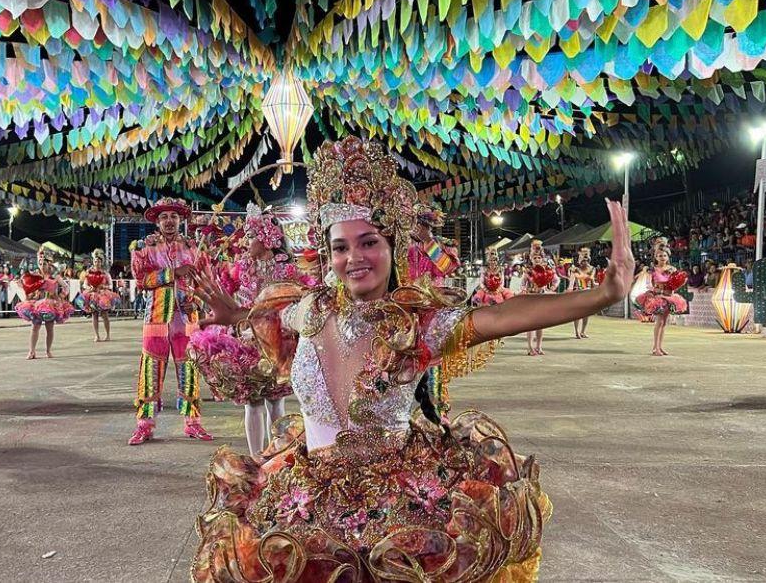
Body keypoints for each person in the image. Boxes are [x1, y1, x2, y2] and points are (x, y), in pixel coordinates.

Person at [189, 137, 635, 580]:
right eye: (340, 247)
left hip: (399, 507)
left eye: (368, 243)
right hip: (304, 492)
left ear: (392, 246)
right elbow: (268, 316)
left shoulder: (415, 325)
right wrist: (233, 314)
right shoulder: (309, 309)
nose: (354, 258)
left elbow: (501, 316)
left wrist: (602, 294)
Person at [189, 204, 314, 455]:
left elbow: (299, 302)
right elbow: (228, 296)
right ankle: (256, 458)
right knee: (253, 403)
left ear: (268, 239)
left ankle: (274, 455)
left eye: (251, 236)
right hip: (246, 343)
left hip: (277, 345)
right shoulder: (241, 268)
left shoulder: (289, 271)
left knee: (276, 403)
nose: (246, 241)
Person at [127, 197, 212, 445]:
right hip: (156, 318)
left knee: (189, 368)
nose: (169, 221)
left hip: (187, 317)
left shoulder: (194, 248)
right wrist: (172, 273)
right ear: (157, 221)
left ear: (181, 220)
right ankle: (145, 425)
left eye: (173, 216)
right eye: (163, 217)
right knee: (151, 370)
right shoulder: (145, 248)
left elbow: (205, 280)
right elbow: (142, 280)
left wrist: (195, 299)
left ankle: (193, 423)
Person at [407, 201, 461, 415]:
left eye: (424, 224)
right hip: (404, 309)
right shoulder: (400, 245)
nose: (418, 228)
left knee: (434, 365)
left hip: (432, 312)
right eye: (415, 223)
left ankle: (438, 414)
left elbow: (447, 267)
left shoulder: (442, 245)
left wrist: (428, 242)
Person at [15, 247, 73, 359]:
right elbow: (28, 288)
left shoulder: (54, 276)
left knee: (49, 328)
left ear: (49, 264)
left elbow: (66, 287)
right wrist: (23, 287)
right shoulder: (35, 275)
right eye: (40, 262)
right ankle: (31, 351)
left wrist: (60, 296)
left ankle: (48, 350)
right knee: (35, 327)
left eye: (44, 263)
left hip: (50, 305)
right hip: (37, 304)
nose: (42, 265)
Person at [634, 240, 689, 356]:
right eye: (659, 255)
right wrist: (659, 291)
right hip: (658, 297)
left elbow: (675, 283)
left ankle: (658, 347)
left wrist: (673, 290)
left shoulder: (672, 269)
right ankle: (656, 348)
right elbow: (649, 284)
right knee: (659, 322)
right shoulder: (652, 269)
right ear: (656, 257)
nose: (662, 257)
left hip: (669, 297)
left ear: (668, 256)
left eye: (664, 255)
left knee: (664, 323)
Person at [522, 240, 559, 355]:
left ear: (542, 258)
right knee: (530, 324)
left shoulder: (547, 270)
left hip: (542, 297)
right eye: (535, 257)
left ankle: (539, 346)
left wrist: (552, 288)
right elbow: (523, 283)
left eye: (539, 257)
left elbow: (557, 280)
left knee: (540, 324)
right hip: (530, 298)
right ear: (531, 259)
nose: (537, 259)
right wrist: (524, 289)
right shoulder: (528, 270)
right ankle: (529, 347)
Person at [78, 248, 121, 342]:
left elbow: (110, 285)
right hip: (92, 295)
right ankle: (97, 335)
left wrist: (102, 287)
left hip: (102, 295)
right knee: (94, 315)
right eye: (95, 261)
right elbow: (85, 284)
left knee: (105, 314)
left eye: (98, 261)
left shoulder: (105, 273)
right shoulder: (89, 272)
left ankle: (108, 335)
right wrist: (90, 288)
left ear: (101, 262)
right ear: (93, 261)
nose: (97, 263)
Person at [566, 246, 597, 338]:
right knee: (577, 314)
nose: (585, 262)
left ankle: (583, 331)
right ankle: (577, 332)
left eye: (586, 259)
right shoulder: (575, 269)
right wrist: (570, 289)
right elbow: (571, 282)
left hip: (588, 293)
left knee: (586, 314)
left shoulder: (592, 269)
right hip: (578, 293)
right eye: (583, 260)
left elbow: (592, 281)